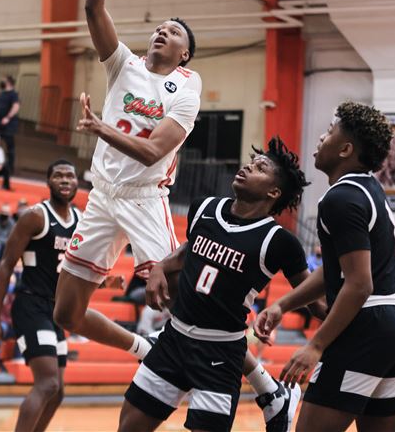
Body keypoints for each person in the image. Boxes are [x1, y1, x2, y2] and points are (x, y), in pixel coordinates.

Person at [53, 0, 201, 363]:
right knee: (66, 312)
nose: (162, 31)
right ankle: (145, 349)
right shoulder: (124, 65)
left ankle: (263, 384)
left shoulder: (187, 88)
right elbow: (93, 5)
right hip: (102, 195)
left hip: (143, 196)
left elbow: (154, 149)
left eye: (173, 31)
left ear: (185, 55)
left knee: (183, 297)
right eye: (158, 27)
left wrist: (99, 127)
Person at [120, 137, 321, 432]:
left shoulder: (279, 241)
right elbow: (192, 248)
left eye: (260, 168)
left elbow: (313, 295)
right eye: (251, 163)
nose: (247, 167)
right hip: (173, 341)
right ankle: (271, 391)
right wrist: (162, 266)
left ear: (273, 191)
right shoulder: (204, 207)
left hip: (220, 355)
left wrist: (356, 321)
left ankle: (275, 393)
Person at [255, 101, 395, 432]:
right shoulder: (369, 189)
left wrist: (316, 345)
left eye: (330, 132)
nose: (321, 138)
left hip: (368, 326)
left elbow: (360, 285)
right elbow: (338, 269)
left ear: (346, 149)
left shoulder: (339, 199)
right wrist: (283, 304)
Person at [0, 160, 81, 432]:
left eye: (70, 176)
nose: (65, 180)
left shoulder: (80, 220)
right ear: (48, 182)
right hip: (30, 305)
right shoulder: (35, 216)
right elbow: (5, 266)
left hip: (56, 311)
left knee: (58, 391)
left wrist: (107, 279)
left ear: (77, 183)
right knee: (47, 383)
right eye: (59, 176)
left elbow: (75, 268)